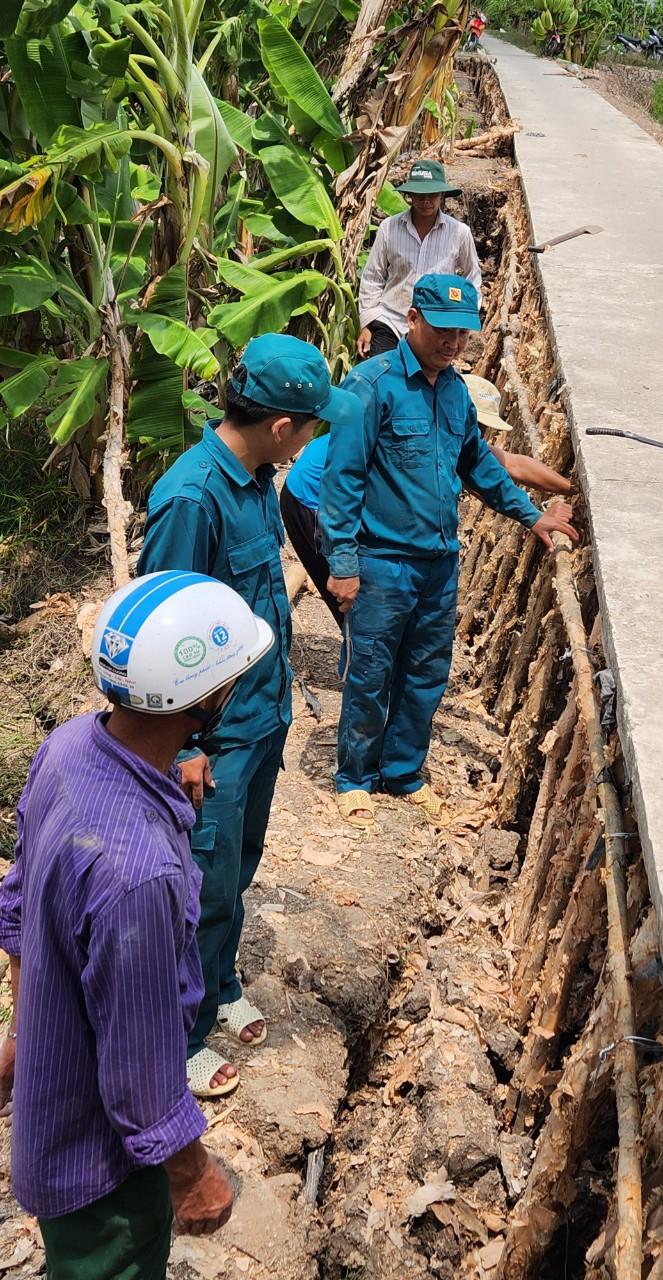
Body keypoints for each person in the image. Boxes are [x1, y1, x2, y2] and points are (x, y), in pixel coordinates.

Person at [0, 572, 275, 1278]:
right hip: (105, 1174)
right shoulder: (138, 876)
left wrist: (20, 1032)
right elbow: (142, 1077)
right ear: (208, 696)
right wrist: (192, 1176)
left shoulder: (68, 748)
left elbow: (20, 905)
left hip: (49, 1113)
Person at [137, 334, 361, 1098]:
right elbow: (158, 630)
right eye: (311, 425)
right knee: (199, 886)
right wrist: (181, 750)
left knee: (238, 866)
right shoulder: (191, 498)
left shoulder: (258, 477)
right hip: (212, 741)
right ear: (279, 426)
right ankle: (183, 1036)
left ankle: (220, 984)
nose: (313, 436)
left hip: (260, 719)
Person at [320, 273, 578, 828]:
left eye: (463, 334)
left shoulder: (457, 391)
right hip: (383, 560)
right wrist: (341, 562)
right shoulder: (372, 385)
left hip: (438, 562)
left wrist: (532, 516)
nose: (454, 343)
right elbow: (341, 480)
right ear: (412, 319)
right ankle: (354, 777)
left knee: (426, 671)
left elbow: (480, 468)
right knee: (370, 671)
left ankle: (403, 773)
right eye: (442, 330)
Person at [281, 358, 572, 629]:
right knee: (359, 607)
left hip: (333, 494)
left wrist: (572, 489)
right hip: (313, 496)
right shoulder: (423, 428)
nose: (479, 433)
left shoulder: (454, 436)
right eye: (478, 424)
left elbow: (512, 464)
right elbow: (485, 487)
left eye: (483, 428)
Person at [357, 158, 482, 360]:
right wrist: (368, 323)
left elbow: (473, 279)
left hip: (435, 325)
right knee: (379, 376)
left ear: (442, 195)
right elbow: (373, 276)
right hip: (391, 321)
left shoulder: (459, 232)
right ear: (410, 195)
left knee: (425, 384)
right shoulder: (389, 228)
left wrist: (460, 320)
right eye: (419, 195)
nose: (426, 202)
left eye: (432, 195)